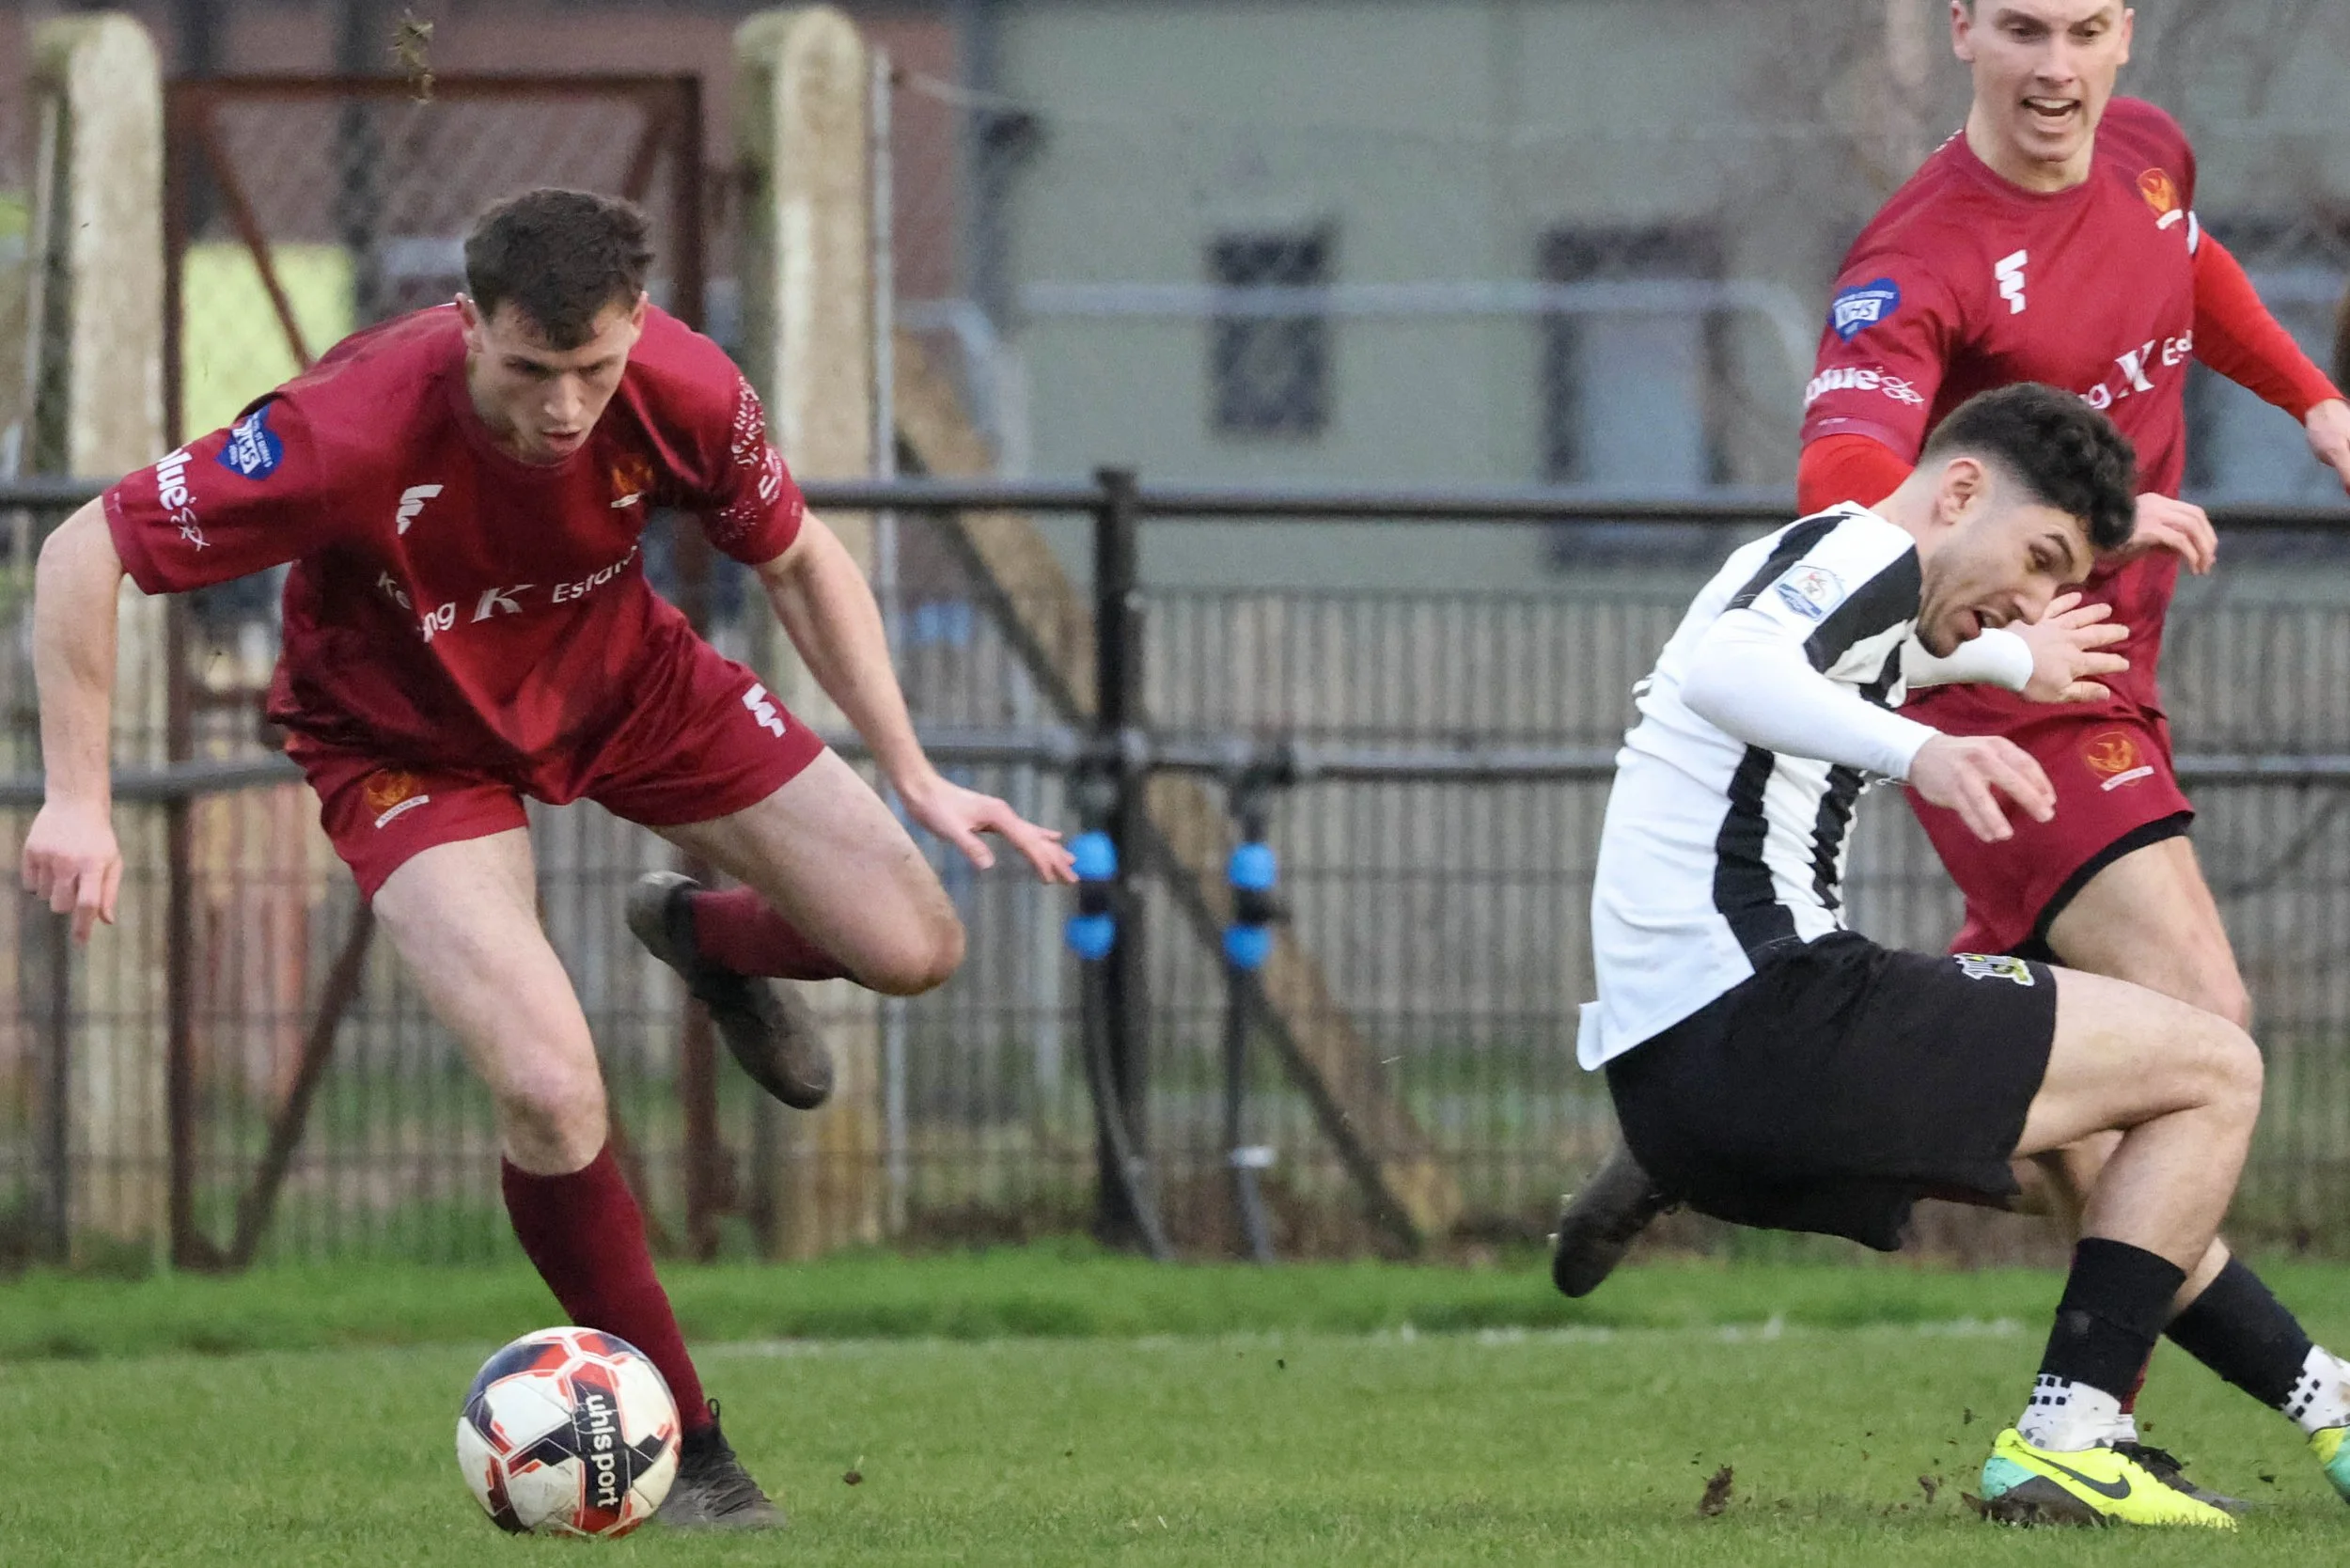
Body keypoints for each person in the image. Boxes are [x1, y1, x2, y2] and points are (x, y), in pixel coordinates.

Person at [19, 188, 1075, 1529]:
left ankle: (706, 938)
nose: (569, 406)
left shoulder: (686, 383)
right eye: (532, 370)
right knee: (548, 1088)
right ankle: (692, 1456)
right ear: (467, 327)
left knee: (916, 945)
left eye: (596, 368)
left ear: (639, 328)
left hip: (630, 685)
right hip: (404, 745)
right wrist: (79, 798)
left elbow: (801, 559)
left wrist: (914, 771)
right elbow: (80, 550)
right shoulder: (348, 427)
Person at [1558, 2, 2350, 1414]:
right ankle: (2120, 1419)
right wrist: (2053, 544)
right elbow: (1843, 504)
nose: (2057, 68)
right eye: (2025, 30)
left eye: (2087, 30)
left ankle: (1741, 1145)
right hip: (2012, 698)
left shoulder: (2151, 154)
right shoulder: (1917, 256)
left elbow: (2184, 266)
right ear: (1965, 32)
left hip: (2080, 674)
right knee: (2199, 1031)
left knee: (2070, 1092)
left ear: (2127, 39)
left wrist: (2308, 398)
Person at [1579, 382, 2350, 1525]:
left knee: (2119, 1150)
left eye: (2060, 583)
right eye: (2037, 558)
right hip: (1768, 1023)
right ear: (1957, 489)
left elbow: (1821, 662)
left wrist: (1999, 668)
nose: (2032, 598)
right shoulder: (1861, 549)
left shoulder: (1813, 571)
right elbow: (1729, 675)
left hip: (1689, 1076)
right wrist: (1921, 756)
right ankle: (2067, 1433)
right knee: (2213, 1065)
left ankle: (2323, 1400)